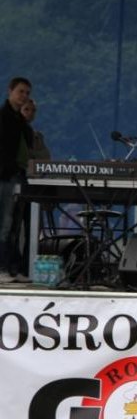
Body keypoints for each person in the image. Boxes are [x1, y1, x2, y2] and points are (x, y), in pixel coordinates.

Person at [8, 99, 52, 281]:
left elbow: (45, 158)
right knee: (13, 228)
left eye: (33, 111)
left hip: (32, 185)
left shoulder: (36, 136)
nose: (30, 114)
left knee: (32, 227)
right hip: (12, 185)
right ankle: (12, 267)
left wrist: (30, 157)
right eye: (27, 110)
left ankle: (27, 268)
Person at [0, 78, 32, 283]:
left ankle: (13, 267)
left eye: (27, 93)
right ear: (10, 91)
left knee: (15, 226)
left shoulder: (21, 121)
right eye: (21, 91)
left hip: (19, 175)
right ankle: (2, 267)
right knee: (4, 223)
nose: (24, 96)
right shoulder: (3, 117)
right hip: (5, 176)